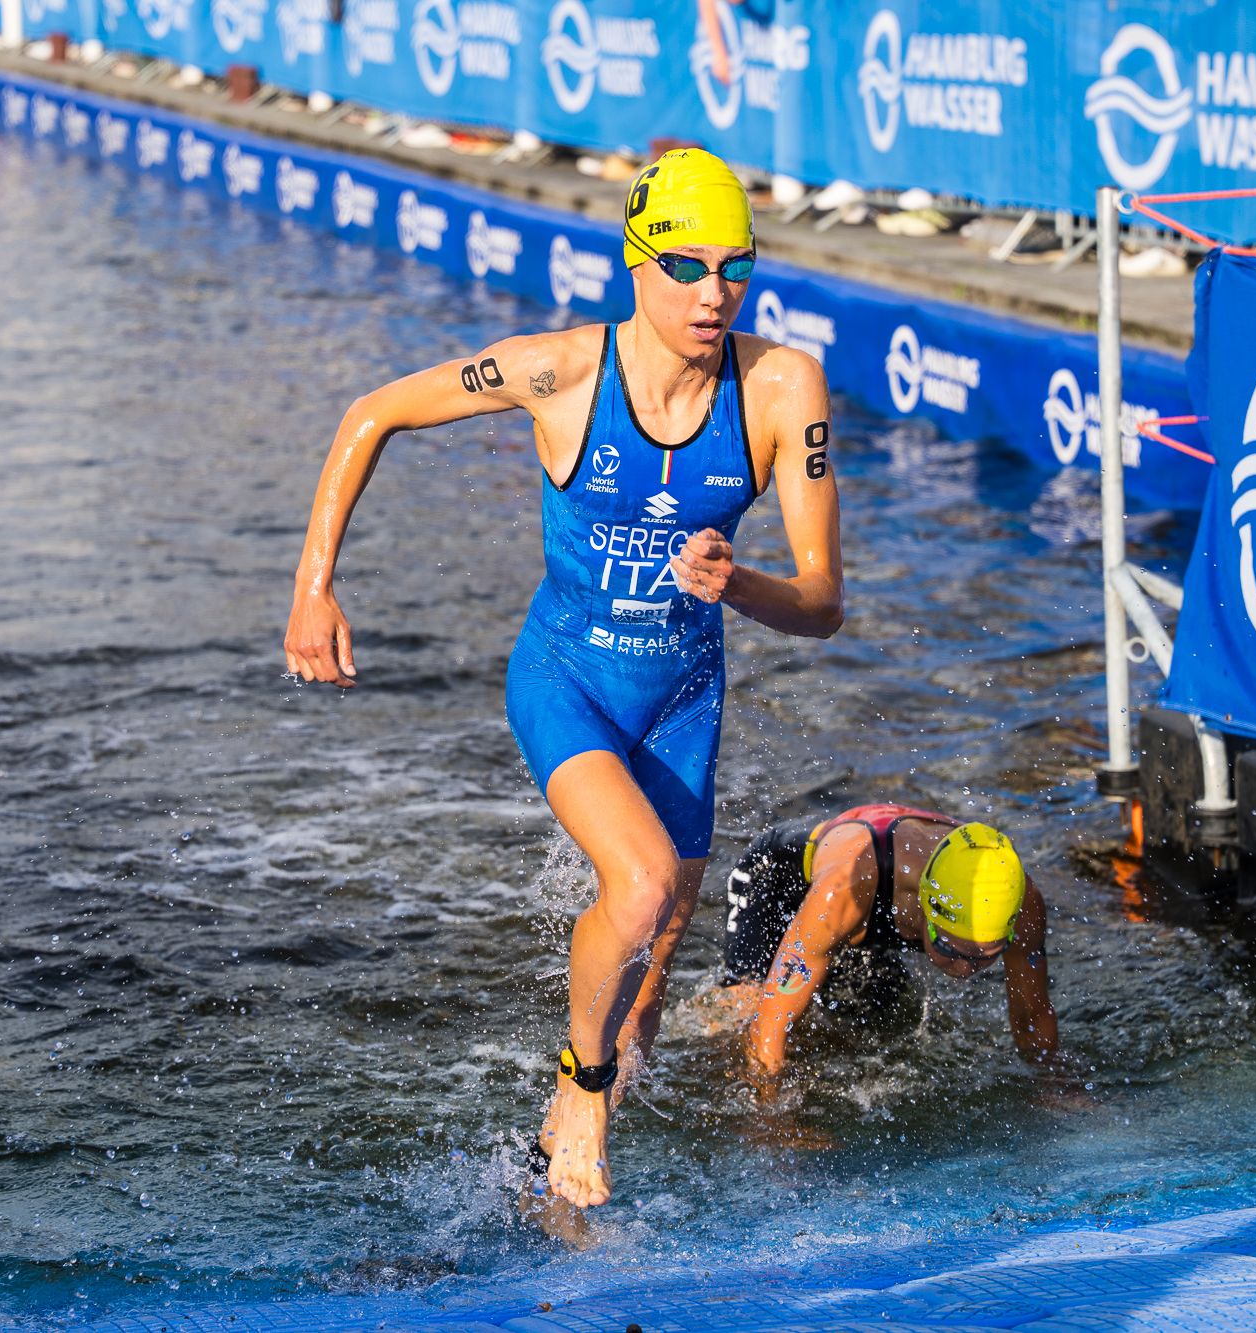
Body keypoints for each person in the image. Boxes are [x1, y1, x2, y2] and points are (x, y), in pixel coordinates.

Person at [280, 149, 844, 1212]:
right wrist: (315, 589)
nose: (712, 293)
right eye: (685, 267)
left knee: (649, 990)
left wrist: (739, 583)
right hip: (566, 679)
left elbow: (821, 604)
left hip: (682, 701)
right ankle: (576, 1090)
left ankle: (563, 1183)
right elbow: (371, 412)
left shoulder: (782, 387)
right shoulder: (558, 374)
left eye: (735, 268)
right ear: (635, 264)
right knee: (640, 886)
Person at [719, 804, 1057, 1075]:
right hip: (779, 883)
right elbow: (768, 1028)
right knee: (745, 1015)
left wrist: (1054, 1082)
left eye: (983, 957)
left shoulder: (1022, 905)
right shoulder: (843, 892)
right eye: (949, 948)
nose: (964, 970)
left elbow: (1031, 1018)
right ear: (923, 910)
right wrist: (774, 1124)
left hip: (868, 907)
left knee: (875, 1024)